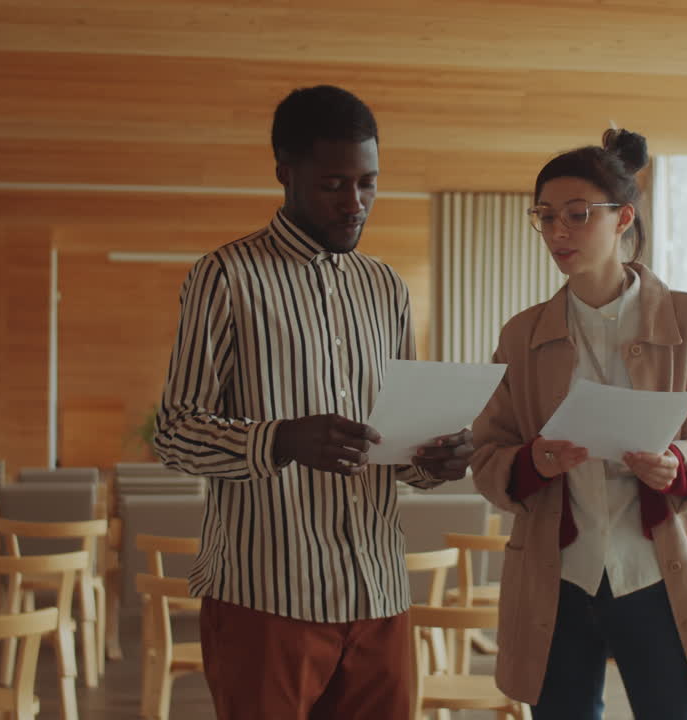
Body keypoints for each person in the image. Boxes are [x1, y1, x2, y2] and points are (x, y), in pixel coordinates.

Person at [154, 85, 473, 720]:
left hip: (379, 590)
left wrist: (431, 460)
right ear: (286, 174)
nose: (354, 203)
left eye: (368, 183)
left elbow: (392, 442)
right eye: (333, 184)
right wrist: (279, 440)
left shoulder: (387, 289)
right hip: (267, 595)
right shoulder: (225, 276)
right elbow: (175, 432)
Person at [470, 128, 687, 719]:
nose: (557, 232)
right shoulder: (521, 335)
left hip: (658, 573)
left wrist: (680, 465)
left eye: (577, 214)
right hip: (559, 578)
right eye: (544, 217)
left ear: (623, 218)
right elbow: (488, 451)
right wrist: (531, 462)